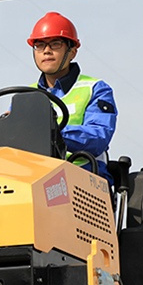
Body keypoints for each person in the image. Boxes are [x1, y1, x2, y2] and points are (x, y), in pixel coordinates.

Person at [27, 12, 117, 184]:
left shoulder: (95, 89)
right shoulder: (26, 95)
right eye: (39, 45)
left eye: (55, 44)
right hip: (36, 179)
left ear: (72, 52)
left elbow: (99, 137)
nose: (46, 51)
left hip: (85, 178)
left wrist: (53, 132)